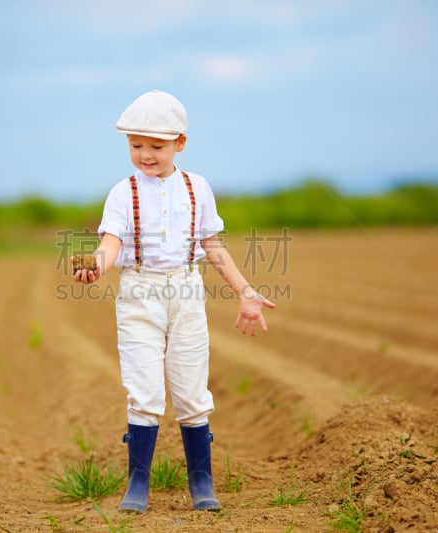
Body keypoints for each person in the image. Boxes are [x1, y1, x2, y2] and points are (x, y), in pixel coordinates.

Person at [71, 89, 275, 513]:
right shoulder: (122, 193)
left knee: (191, 391)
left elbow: (212, 245)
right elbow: (110, 244)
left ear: (180, 142)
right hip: (139, 295)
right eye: (136, 145)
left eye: (157, 146)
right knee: (144, 392)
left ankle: (202, 482)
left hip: (186, 293)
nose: (146, 154)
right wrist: (95, 267)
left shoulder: (197, 188)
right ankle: (137, 486)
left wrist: (245, 290)